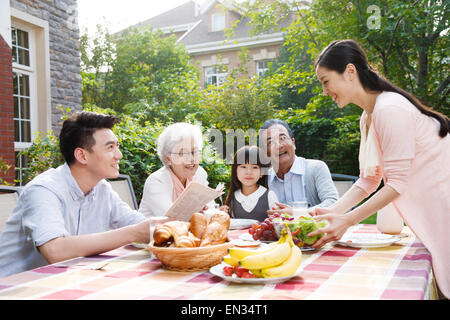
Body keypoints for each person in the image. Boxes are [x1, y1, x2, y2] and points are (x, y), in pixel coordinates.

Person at [309, 39, 450, 299]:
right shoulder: (369, 116)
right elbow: (369, 179)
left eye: (325, 81)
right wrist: (333, 211)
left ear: (350, 72)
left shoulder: (390, 109)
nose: (325, 90)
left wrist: (348, 220)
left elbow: (397, 183)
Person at [0, 112, 151, 278]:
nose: (119, 155)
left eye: (117, 146)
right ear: (82, 155)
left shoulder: (102, 189)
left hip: (67, 280)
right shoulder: (43, 190)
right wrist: (133, 233)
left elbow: (139, 225)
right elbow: (55, 251)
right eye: (110, 147)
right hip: (14, 288)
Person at [258, 119, 339, 214]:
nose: (279, 146)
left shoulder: (316, 168)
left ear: (293, 142)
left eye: (282, 138)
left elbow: (333, 203)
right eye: (270, 142)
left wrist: (296, 213)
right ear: (265, 152)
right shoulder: (264, 178)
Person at [139, 122, 213, 217]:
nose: (191, 159)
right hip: (156, 231)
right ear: (168, 159)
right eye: (183, 153)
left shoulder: (200, 174)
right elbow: (171, 219)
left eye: (194, 152)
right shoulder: (156, 181)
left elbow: (211, 209)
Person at [220, 146, 278, 221]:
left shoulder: (269, 196)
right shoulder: (233, 198)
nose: (248, 172)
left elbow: (278, 223)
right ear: (236, 171)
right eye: (243, 167)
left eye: (254, 167)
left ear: (262, 173)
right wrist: (223, 214)